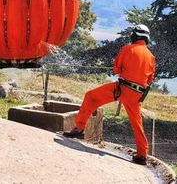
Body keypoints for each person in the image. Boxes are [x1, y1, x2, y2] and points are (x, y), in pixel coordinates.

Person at [63, 24, 156, 165]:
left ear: (135, 35)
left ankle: (79, 128)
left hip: (121, 88)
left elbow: (116, 69)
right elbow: (150, 79)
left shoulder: (127, 48)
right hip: (137, 94)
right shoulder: (151, 56)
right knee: (137, 124)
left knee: (91, 96)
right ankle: (142, 154)